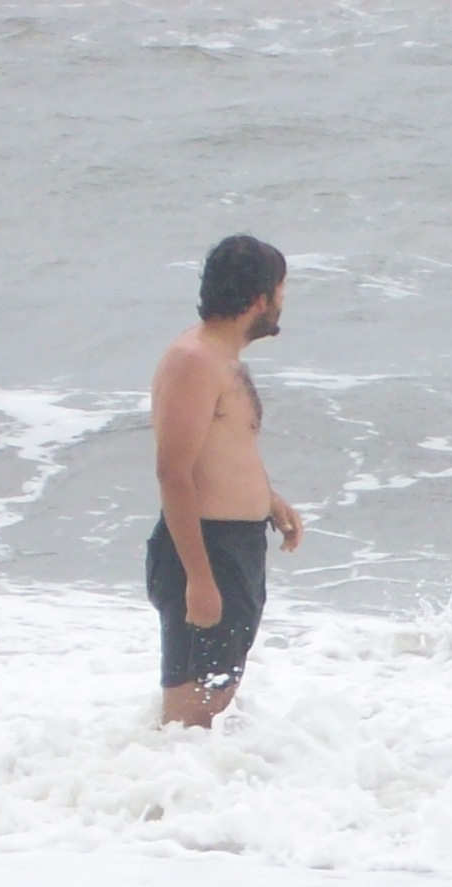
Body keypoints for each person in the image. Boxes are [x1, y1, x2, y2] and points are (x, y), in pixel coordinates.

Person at [147, 234, 303, 727]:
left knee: (212, 710)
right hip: (205, 549)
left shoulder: (218, 357)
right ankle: (149, 777)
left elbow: (219, 452)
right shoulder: (194, 361)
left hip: (233, 549)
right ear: (259, 300)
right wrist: (199, 579)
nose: (283, 302)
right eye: (281, 291)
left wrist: (268, 500)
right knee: (189, 719)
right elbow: (173, 471)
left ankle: (172, 777)